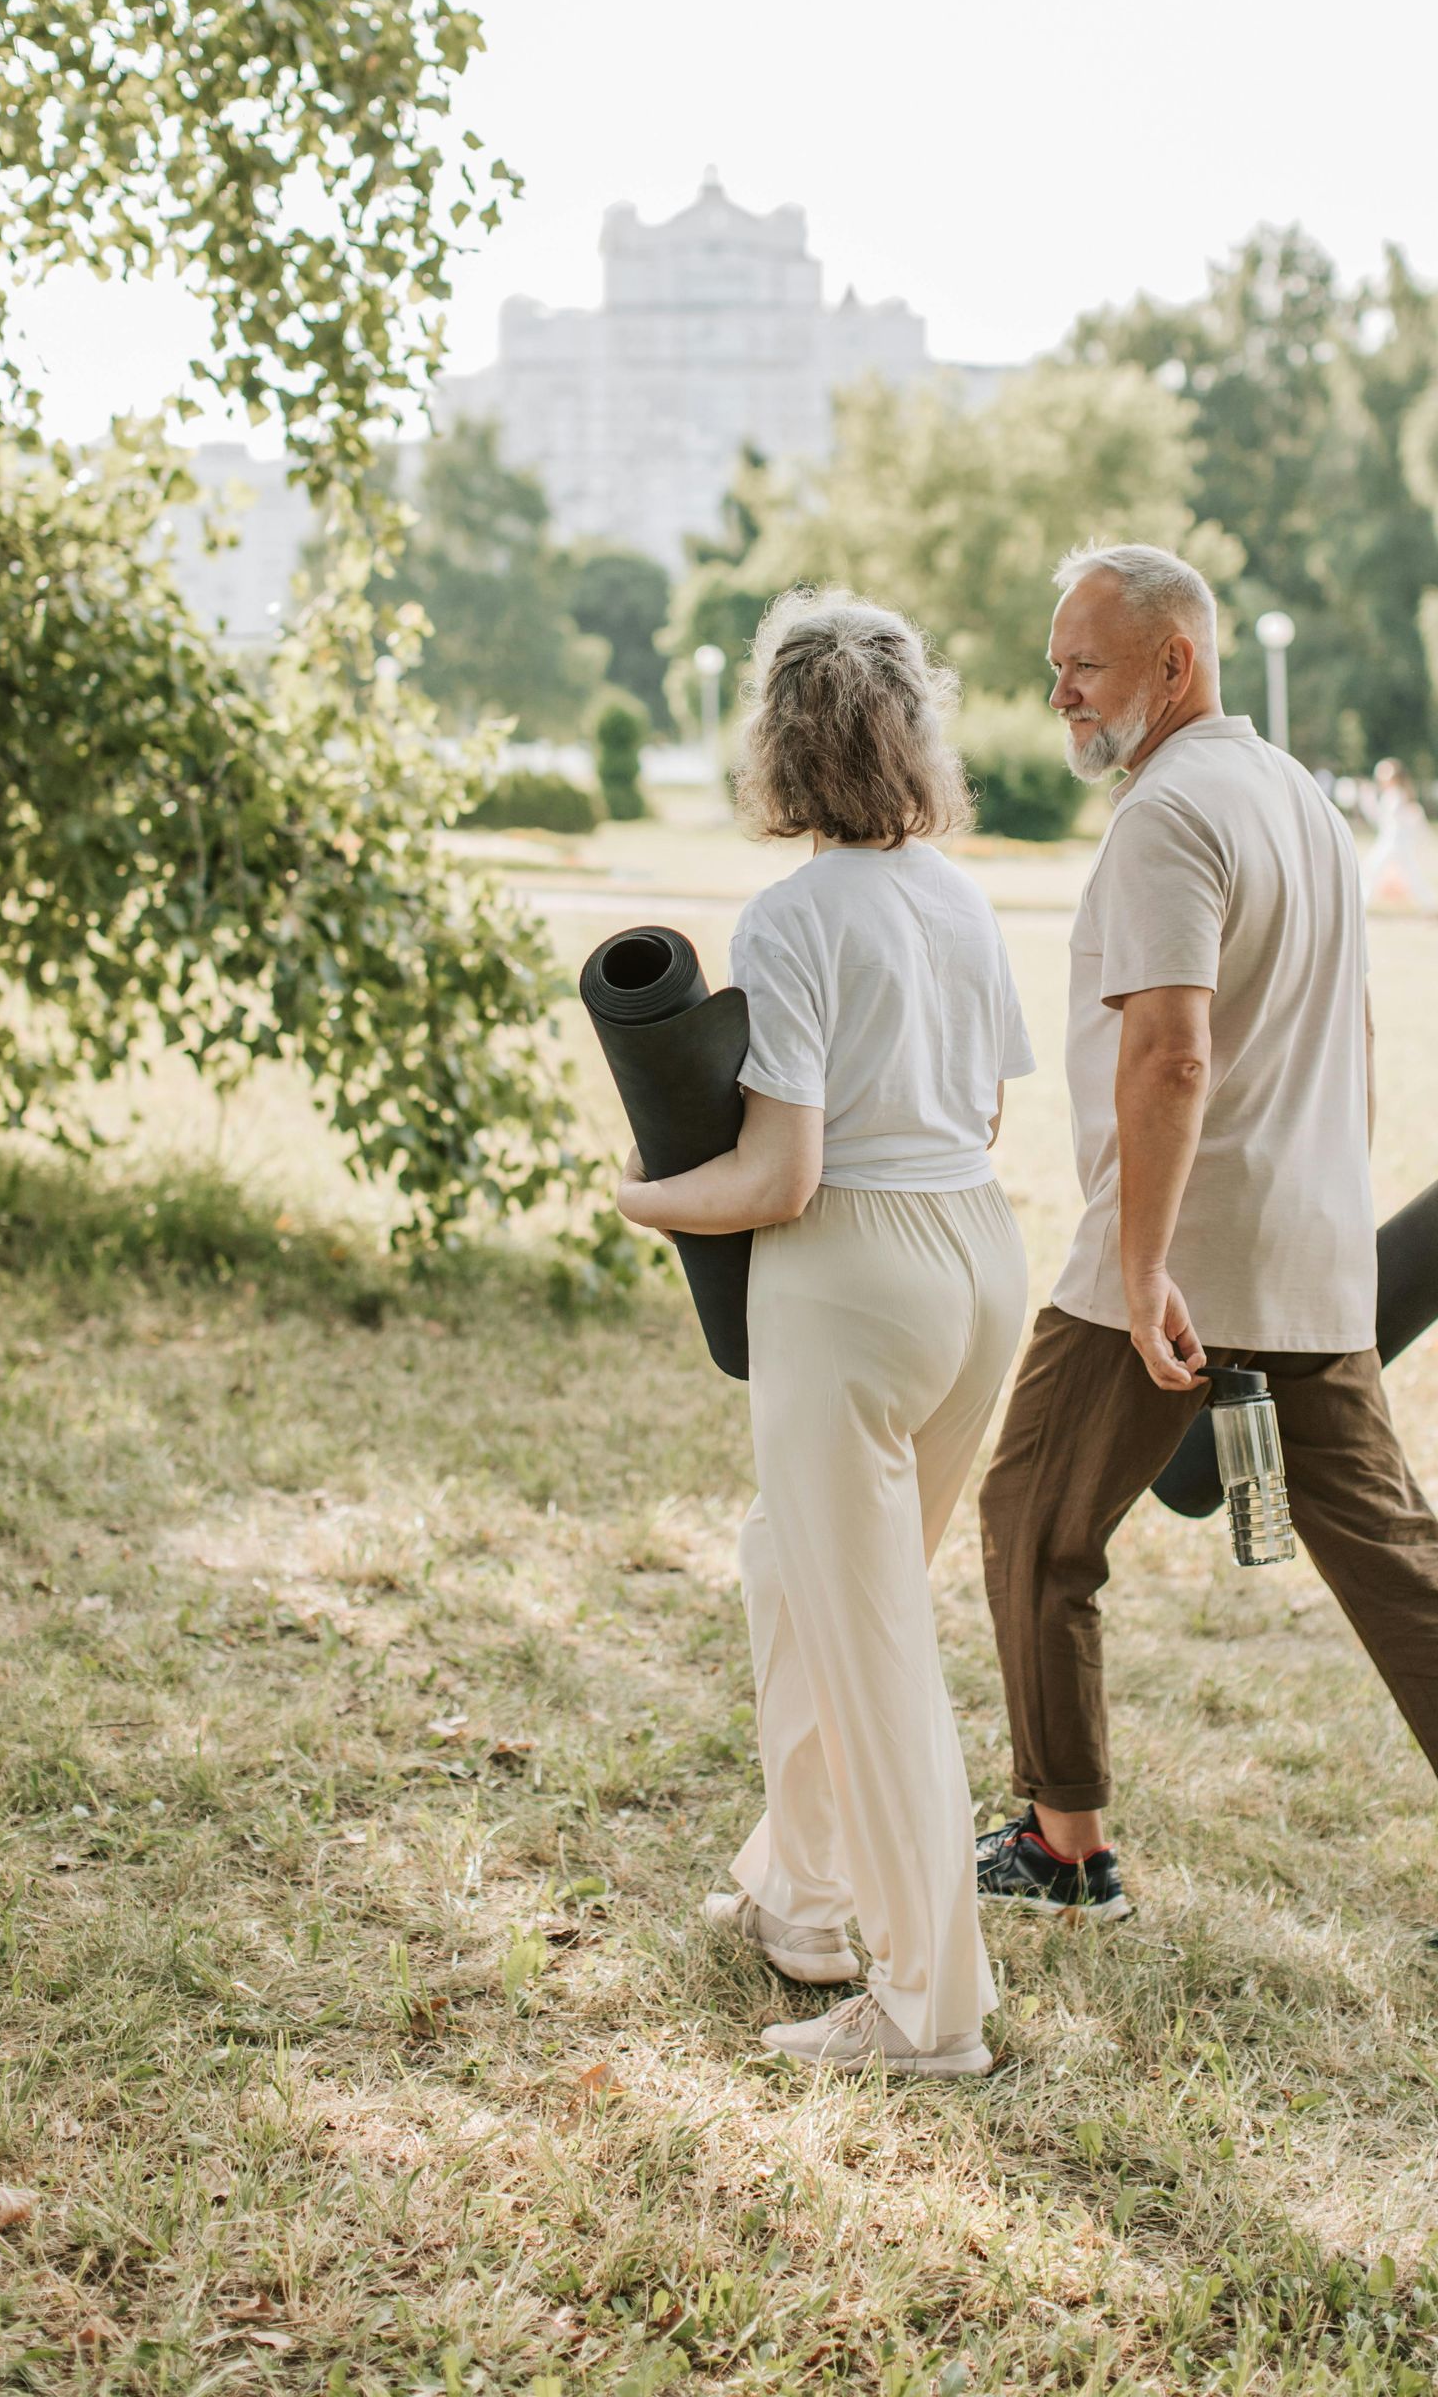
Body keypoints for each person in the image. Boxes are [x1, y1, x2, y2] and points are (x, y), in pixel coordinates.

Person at [975, 542, 1438, 1958]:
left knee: (1034, 1519)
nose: (1060, 695)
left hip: (1173, 1260)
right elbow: (1345, 1033)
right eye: (1055, 667)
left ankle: (1064, 1842)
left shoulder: (1166, 817)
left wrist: (1143, 1262)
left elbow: (1168, 1057)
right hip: (1306, 1248)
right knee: (1396, 1554)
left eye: (1083, 666)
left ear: (1175, 664)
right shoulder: (1294, 795)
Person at [616, 591, 1033, 2074]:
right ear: (912, 732)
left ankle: (929, 2013)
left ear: (778, 742)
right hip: (982, 1259)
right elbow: (983, 1108)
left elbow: (780, 1174)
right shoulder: (961, 896)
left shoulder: (789, 915)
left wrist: (644, 1197)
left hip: (852, 1274)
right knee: (789, 1569)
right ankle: (799, 1898)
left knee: (871, 1645)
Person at [1361, 756, 1438, 913]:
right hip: (1394, 842)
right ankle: (1429, 905)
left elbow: (1387, 819)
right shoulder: (1395, 795)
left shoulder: (1395, 795)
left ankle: (1362, 904)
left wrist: (1367, 800)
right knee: (1407, 873)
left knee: (1373, 870)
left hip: (1394, 843)